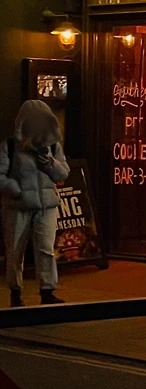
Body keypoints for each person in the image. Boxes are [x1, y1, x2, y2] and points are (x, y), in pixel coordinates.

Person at [1, 100, 70, 307]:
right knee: (15, 251)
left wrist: (49, 161)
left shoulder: (53, 147)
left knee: (46, 249)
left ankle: (48, 290)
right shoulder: (10, 146)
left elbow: (63, 173)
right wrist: (15, 189)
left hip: (46, 206)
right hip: (18, 206)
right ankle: (15, 292)